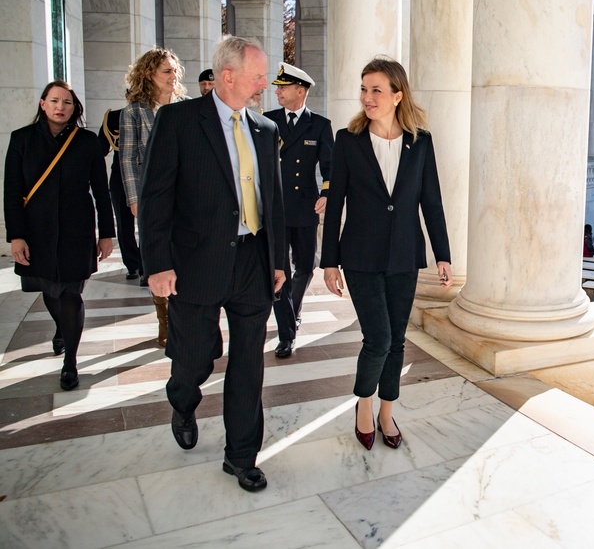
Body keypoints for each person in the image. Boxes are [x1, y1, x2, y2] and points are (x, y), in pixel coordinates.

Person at [138, 35, 286, 492]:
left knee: (248, 364)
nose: (265, 83)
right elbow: (155, 197)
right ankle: (182, 401)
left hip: (251, 263)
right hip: (195, 264)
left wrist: (278, 259)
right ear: (228, 76)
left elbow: (273, 200)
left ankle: (241, 455)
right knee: (194, 357)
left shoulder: (265, 129)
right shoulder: (178, 120)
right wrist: (158, 264)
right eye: (258, 75)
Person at [321, 56, 451, 453]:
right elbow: (335, 201)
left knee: (397, 340)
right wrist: (328, 261)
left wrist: (442, 253)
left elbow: (432, 201)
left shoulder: (421, 142)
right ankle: (363, 405)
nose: (367, 97)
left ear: (397, 95)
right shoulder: (348, 141)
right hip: (359, 255)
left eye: (376, 89)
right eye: (363, 89)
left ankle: (387, 412)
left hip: (404, 256)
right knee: (377, 337)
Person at [4, 81, 115, 391]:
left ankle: (71, 362)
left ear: (74, 108)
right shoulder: (22, 140)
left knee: (69, 292)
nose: (60, 107)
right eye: (54, 101)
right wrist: (16, 235)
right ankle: (62, 330)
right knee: (50, 290)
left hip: (76, 230)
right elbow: (12, 192)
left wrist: (107, 234)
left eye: (67, 102)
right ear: (43, 104)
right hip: (36, 231)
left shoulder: (87, 141)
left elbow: (102, 192)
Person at [263, 62, 333, 359]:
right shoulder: (266, 121)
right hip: (275, 209)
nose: (277, 91)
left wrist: (327, 192)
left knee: (307, 266)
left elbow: (330, 166)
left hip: (304, 206)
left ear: (300, 90)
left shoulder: (319, 125)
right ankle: (286, 334)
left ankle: (292, 310)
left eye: (283, 87)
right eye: (277, 87)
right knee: (278, 270)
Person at [122, 46, 187, 347]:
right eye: (166, 71)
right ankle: (163, 317)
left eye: (175, 70)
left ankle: (182, 315)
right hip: (152, 199)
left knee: (183, 256)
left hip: (185, 198)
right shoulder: (134, 112)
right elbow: (128, 160)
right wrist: (136, 200)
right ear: (149, 74)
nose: (173, 76)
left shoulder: (187, 107)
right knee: (158, 256)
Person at [98, 106, 141, 280]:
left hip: (147, 175)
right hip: (120, 176)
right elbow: (100, 149)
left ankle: (146, 265)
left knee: (149, 224)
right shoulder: (113, 117)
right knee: (124, 223)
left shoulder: (155, 113)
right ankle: (132, 264)